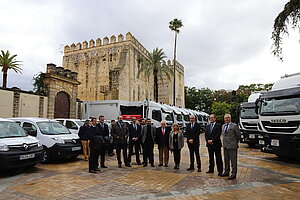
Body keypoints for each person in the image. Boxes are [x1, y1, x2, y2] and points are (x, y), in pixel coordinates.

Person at [220, 114, 241, 180]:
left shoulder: (234, 126)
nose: (226, 119)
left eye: (228, 118)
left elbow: (238, 135)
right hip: (225, 146)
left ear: (230, 118)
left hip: (232, 146)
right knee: (226, 160)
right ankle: (226, 171)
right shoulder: (223, 126)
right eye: (225, 118)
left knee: (233, 161)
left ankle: (233, 173)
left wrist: (235, 143)